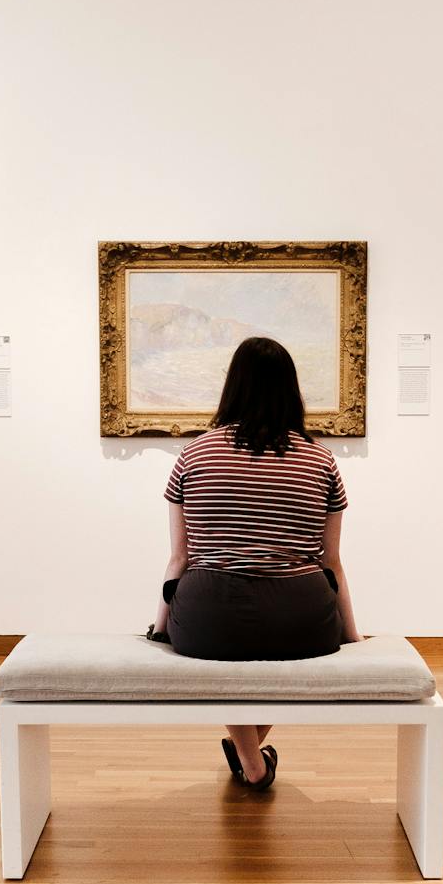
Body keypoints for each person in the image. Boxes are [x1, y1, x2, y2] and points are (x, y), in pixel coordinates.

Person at [149, 336, 363, 791]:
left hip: (211, 614)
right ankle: (252, 757)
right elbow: (332, 561)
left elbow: (180, 557)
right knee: (281, 655)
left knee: (225, 650)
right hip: (302, 617)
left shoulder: (194, 453)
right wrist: (351, 633)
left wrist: (161, 626)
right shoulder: (321, 459)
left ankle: (251, 761)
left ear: (233, 387)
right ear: (291, 390)